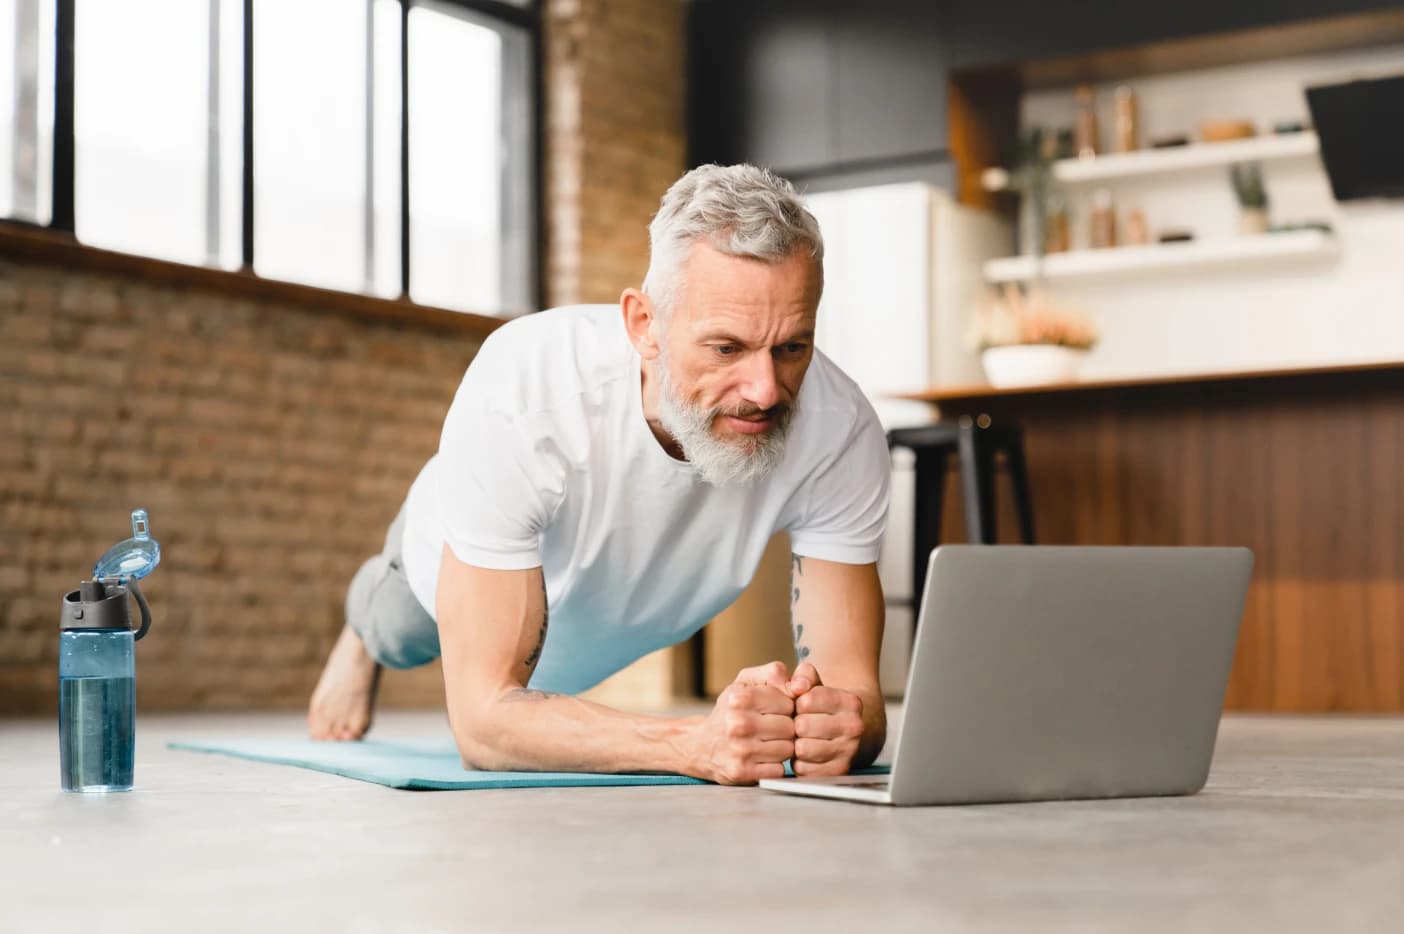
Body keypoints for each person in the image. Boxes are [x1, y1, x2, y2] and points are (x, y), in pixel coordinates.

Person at [307, 163, 891, 785]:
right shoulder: (527, 390)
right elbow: (482, 725)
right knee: (397, 629)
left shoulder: (842, 429)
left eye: (792, 347)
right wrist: (694, 743)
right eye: (726, 348)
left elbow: (859, 692)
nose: (766, 390)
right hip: (443, 561)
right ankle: (359, 638)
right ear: (645, 326)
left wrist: (843, 727)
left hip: (605, 615)